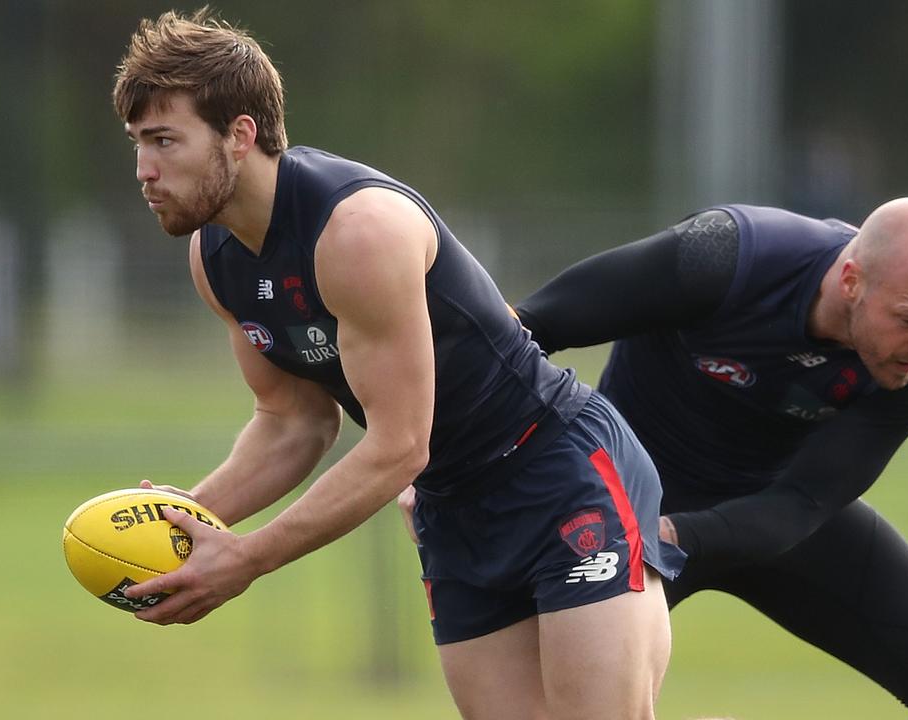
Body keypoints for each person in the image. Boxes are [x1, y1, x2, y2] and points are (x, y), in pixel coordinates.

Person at [110, 9, 682, 719]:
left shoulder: (358, 231)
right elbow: (293, 423)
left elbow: (399, 446)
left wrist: (247, 557)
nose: (144, 169)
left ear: (241, 134)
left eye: (165, 141)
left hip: (559, 473)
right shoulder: (215, 257)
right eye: (138, 143)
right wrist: (186, 522)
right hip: (453, 511)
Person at [457, 198, 908, 719]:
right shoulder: (724, 259)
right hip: (627, 503)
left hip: (769, 511)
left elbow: (801, 503)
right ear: (851, 282)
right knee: (561, 708)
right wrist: (447, 451)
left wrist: (678, 535)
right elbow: (526, 330)